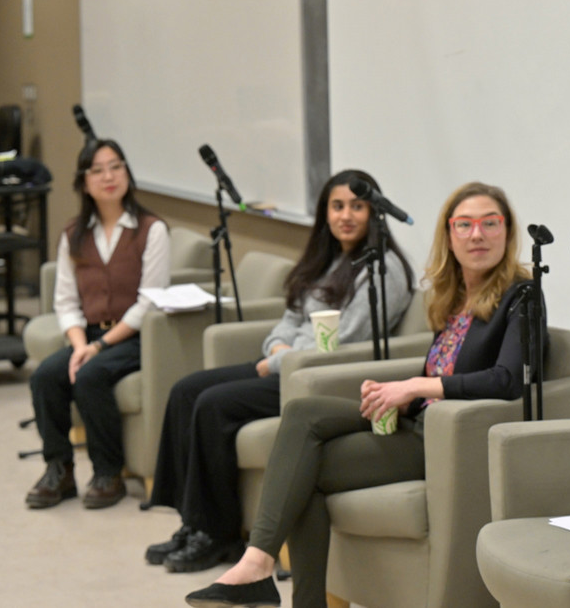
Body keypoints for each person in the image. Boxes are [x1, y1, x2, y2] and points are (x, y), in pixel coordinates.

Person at [183, 181, 538, 607]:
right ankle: (261, 564)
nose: (477, 234)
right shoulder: (454, 294)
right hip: (417, 417)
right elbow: (446, 368)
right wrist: (399, 391)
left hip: (444, 440)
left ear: (507, 230)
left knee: (304, 474)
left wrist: (417, 386)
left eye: (489, 223)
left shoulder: (523, 294)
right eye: (464, 224)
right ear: (449, 234)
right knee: (302, 412)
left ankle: (259, 569)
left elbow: (506, 379)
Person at [146, 169, 414, 573]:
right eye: (337, 206)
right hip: (286, 362)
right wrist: (277, 346)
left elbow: (346, 337)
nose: (346, 216)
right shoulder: (326, 258)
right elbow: (289, 317)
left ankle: (218, 534)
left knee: (213, 405)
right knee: (186, 389)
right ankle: (192, 521)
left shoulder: (384, 269)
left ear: (374, 212)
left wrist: (277, 360)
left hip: (317, 374)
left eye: (357, 207)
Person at [26, 138, 170, 510]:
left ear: (127, 173)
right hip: (88, 335)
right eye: (98, 169)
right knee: (46, 376)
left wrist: (100, 348)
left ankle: (109, 472)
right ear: (84, 181)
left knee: (90, 375)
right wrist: (80, 346)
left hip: (135, 337)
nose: (109, 176)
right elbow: (66, 302)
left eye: (116, 166)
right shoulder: (74, 233)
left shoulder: (151, 230)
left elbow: (148, 304)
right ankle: (59, 469)